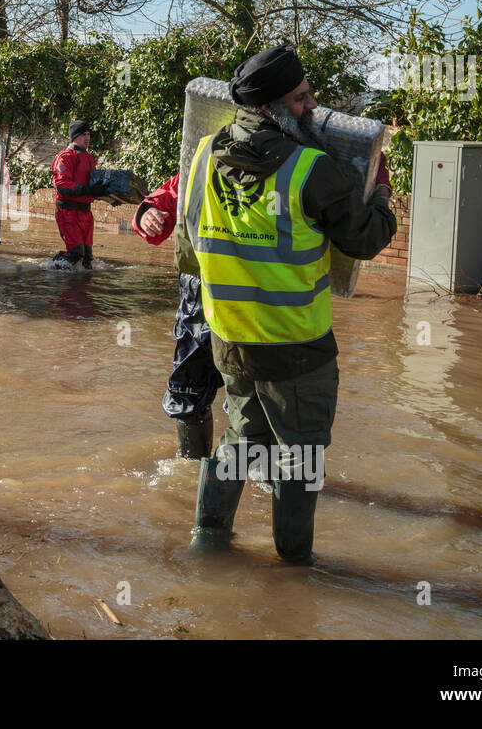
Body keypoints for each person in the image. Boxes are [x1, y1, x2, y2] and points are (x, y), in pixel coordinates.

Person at [183, 44, 395, 565]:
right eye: (301, 99)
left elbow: (190, 246)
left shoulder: (203, 155)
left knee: (241, 440)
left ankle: (208, 544)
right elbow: (363, 240)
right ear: (275, 107)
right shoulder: (310, 169)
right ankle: (295, 568)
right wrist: (383, 196)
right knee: (300, 460)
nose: (311, 106)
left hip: (230, 343)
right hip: (297, 347)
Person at [132, 175, 224, 460]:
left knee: (251, 395)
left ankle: (255, 478)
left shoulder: (290, 163)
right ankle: (192, 473)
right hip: (201, 289)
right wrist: (148, 213)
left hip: (258, 296)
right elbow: (170, 195)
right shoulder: (204, 158)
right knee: (187, 390)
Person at [51, 119, 106, 269]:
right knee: (76, 254)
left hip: (85, 213)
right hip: (67, 211)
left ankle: (80, 285)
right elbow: (61, 184)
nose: (87, 138)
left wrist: (103, 191)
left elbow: (92, 184)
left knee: (87, 258)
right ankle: (52, 266)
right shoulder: (65, 156)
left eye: (88, 134)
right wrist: (86, 190)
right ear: (74, 137)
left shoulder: (89, 157)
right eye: (83, 134)